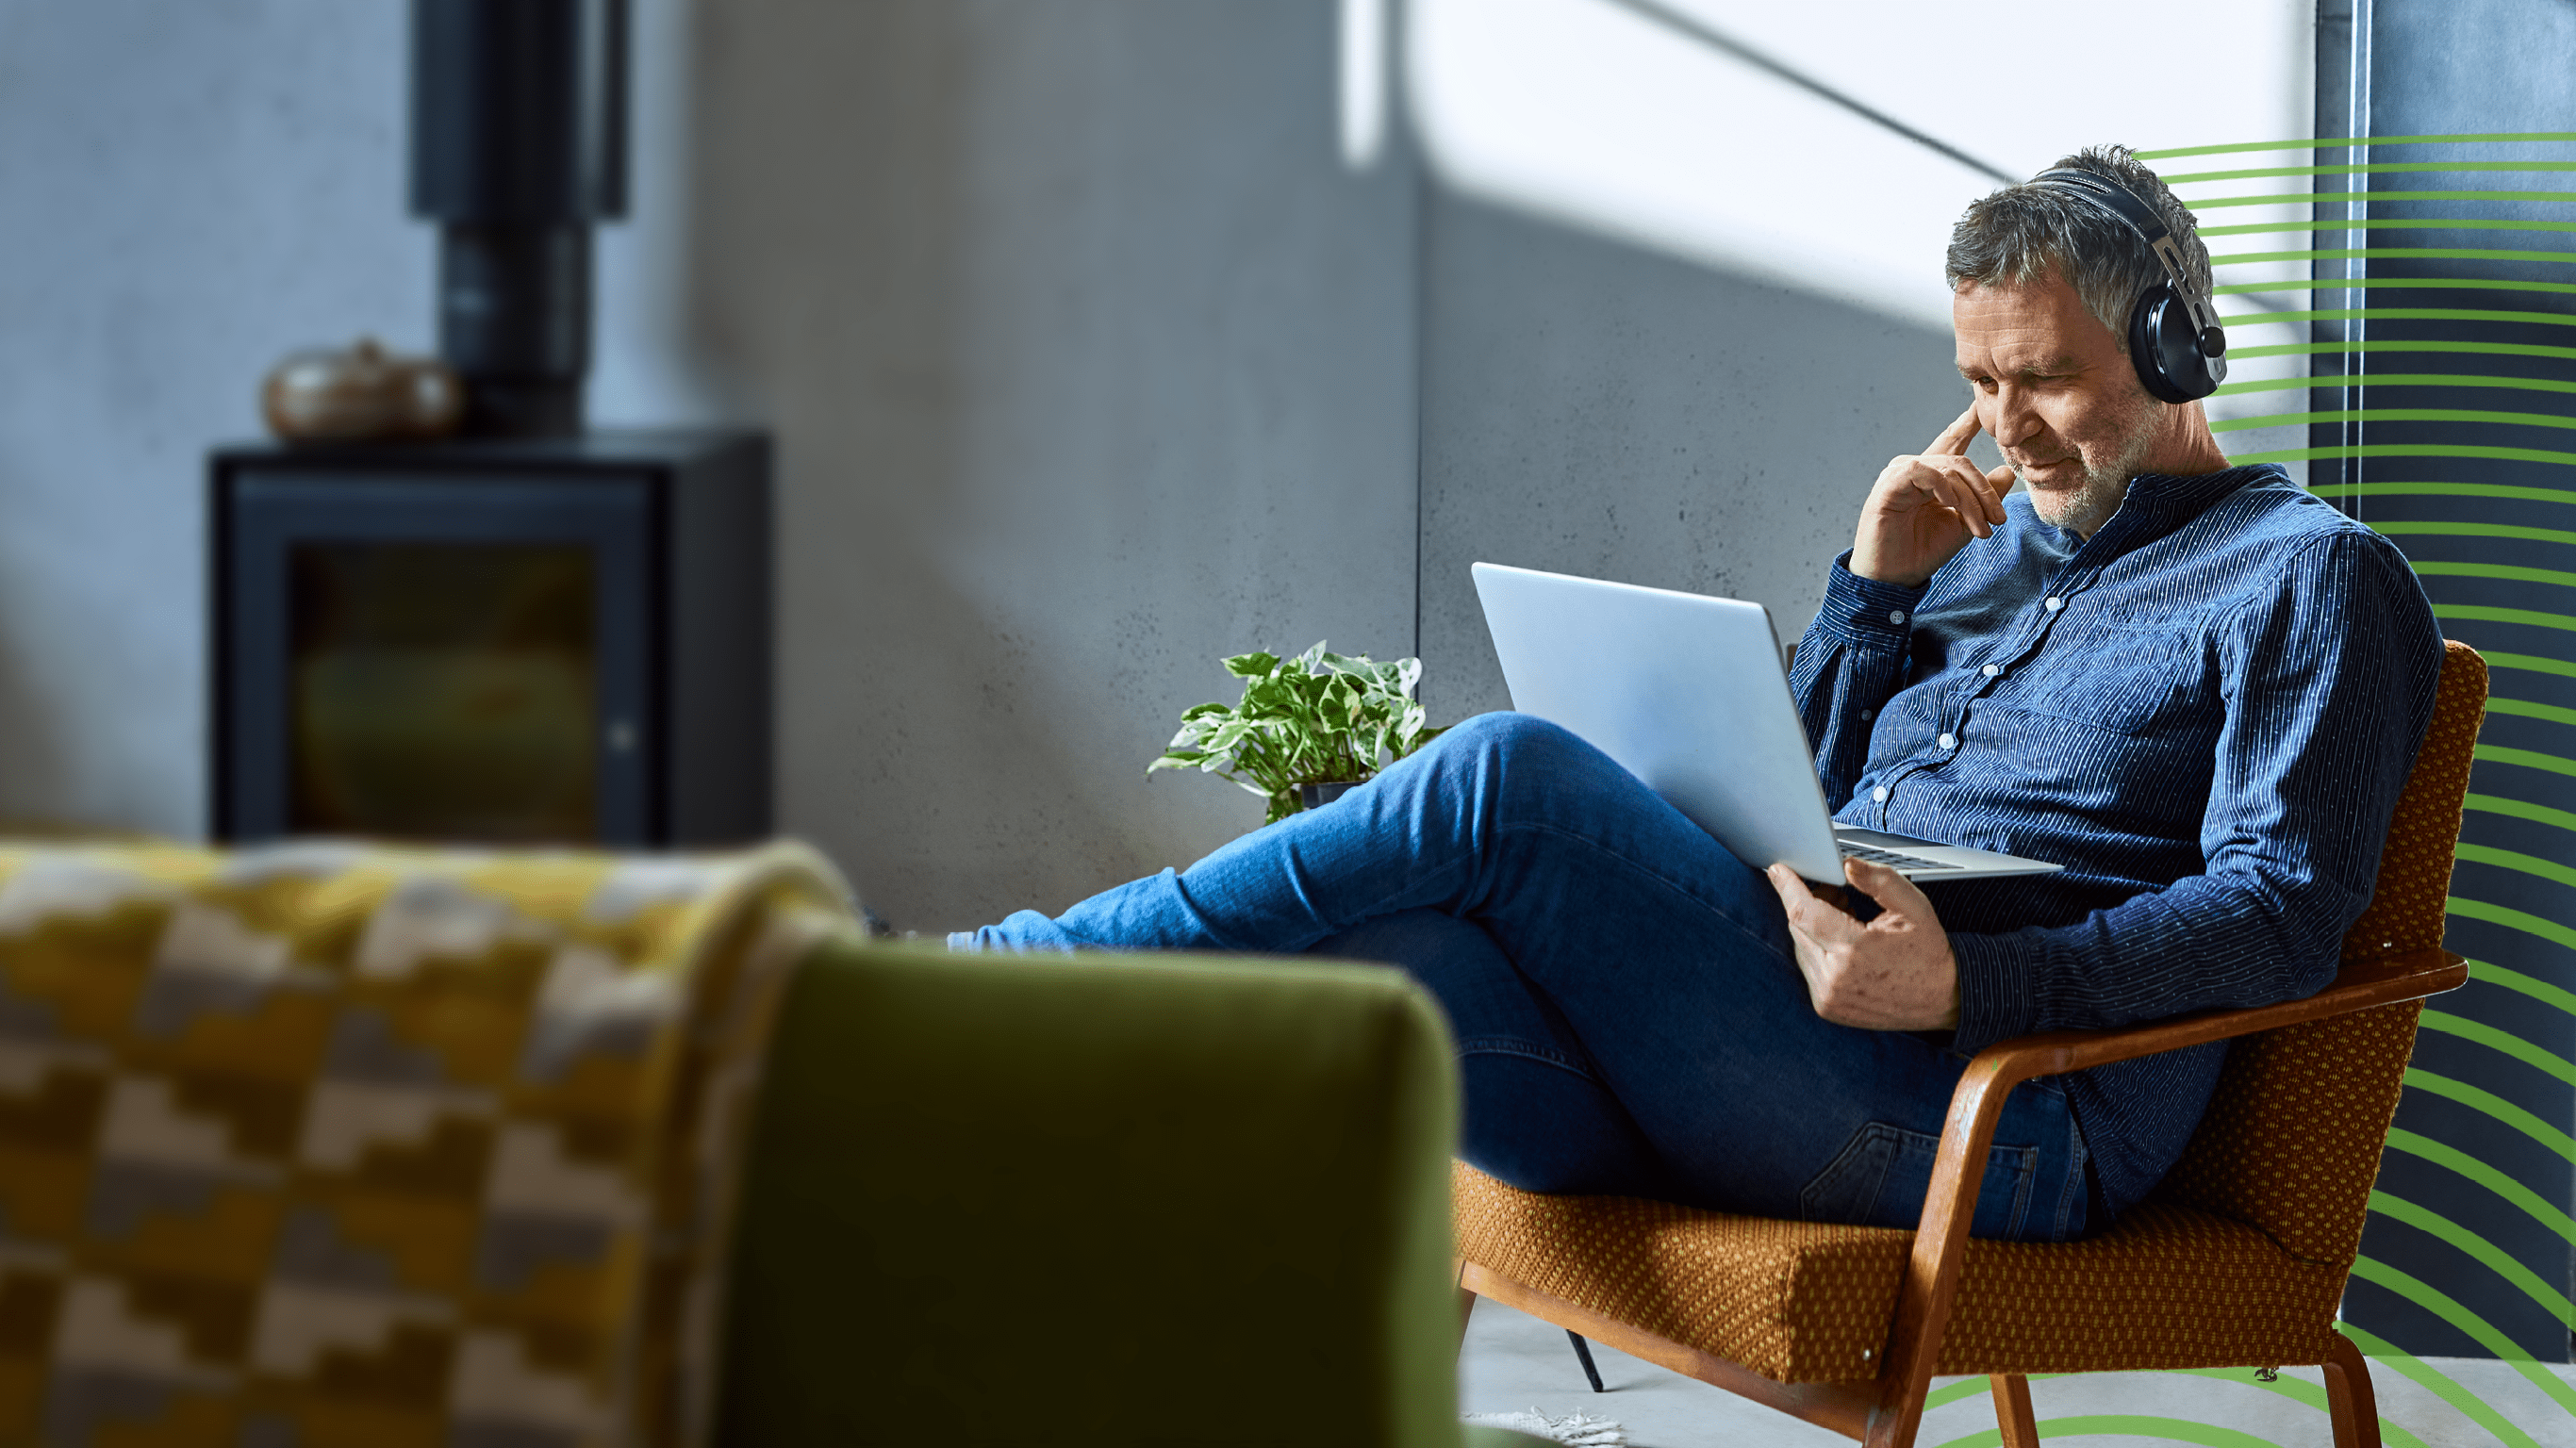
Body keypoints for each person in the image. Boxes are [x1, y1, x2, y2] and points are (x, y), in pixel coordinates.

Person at [950, 146, 2442, 1243]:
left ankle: (990, 989)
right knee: (1397, 953)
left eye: (2043, 377)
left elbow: (2278, 915)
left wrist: (1969, 983)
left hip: (2005, 1121)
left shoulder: (2308, 576)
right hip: (1783, 1041)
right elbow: (1772, 798)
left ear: (2176, 342)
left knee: (1507, 781)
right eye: (1980, 383)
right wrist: (1874, 591)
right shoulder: (1971, 546)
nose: (2006, 429)